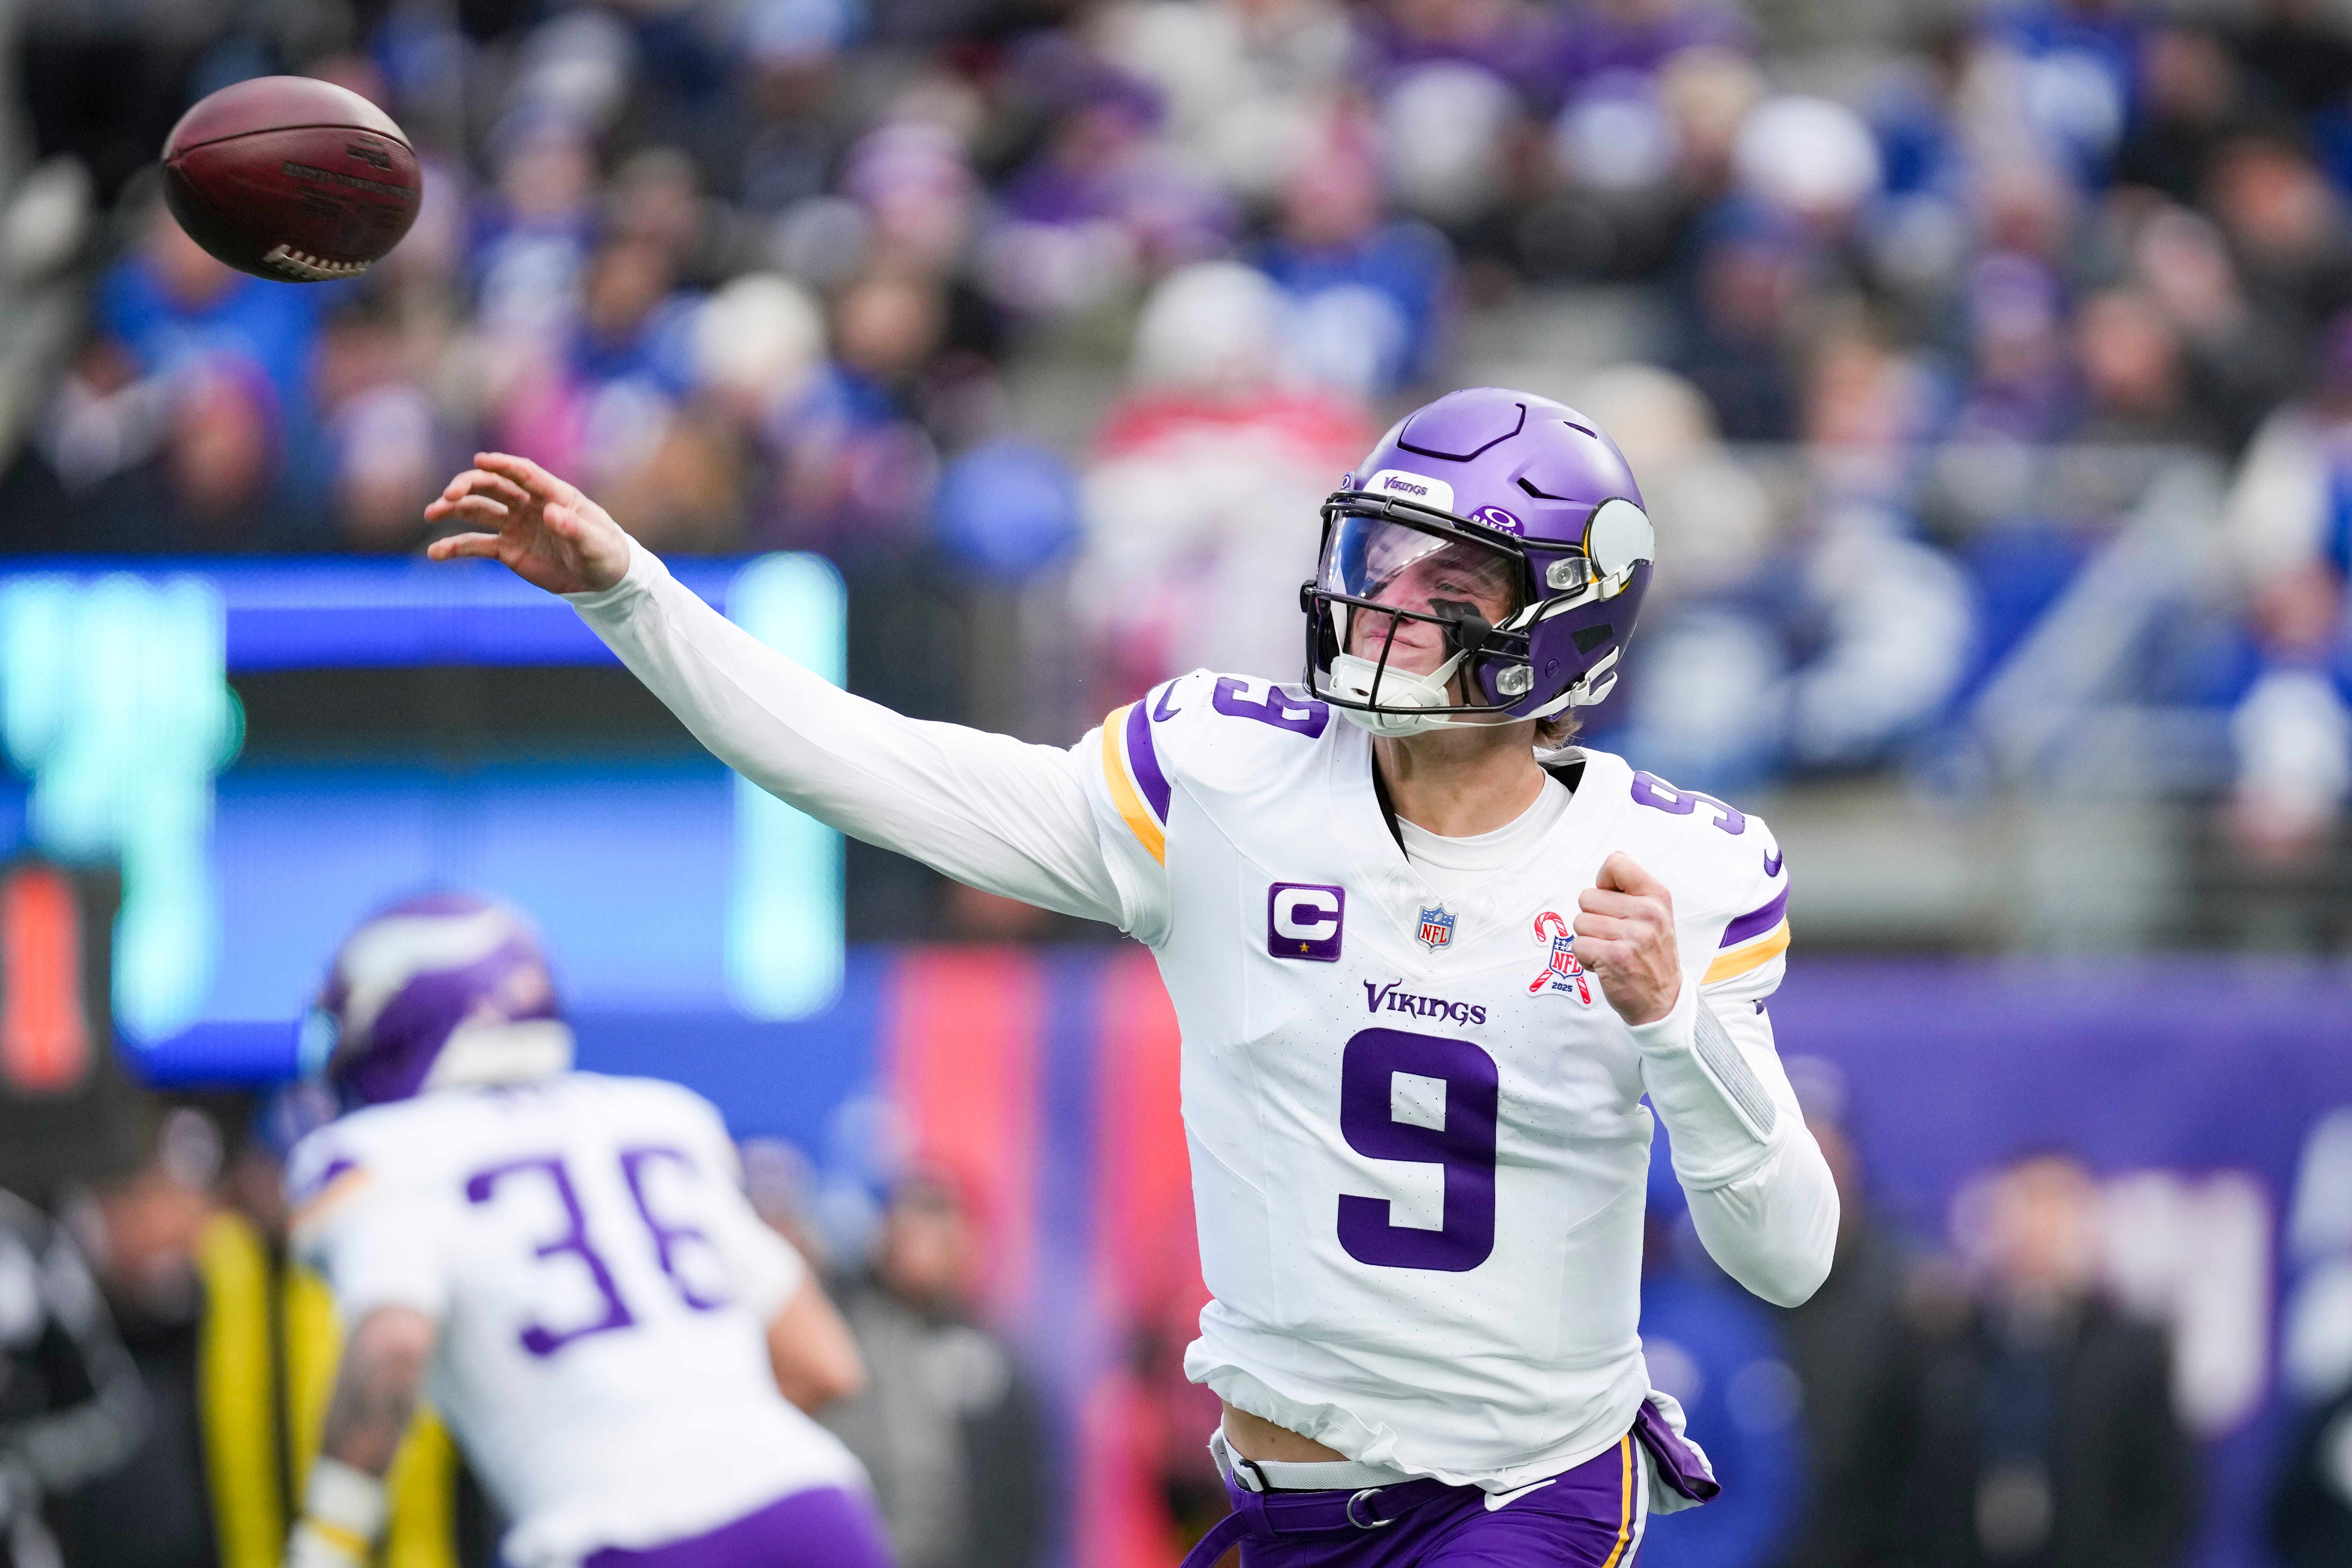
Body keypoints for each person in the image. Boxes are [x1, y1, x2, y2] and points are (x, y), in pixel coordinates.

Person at [422, 384, 1839, 1565]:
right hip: (1281, 1506)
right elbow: (872, 766)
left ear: (1565, 619)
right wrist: (631, 594)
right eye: (1379, 564)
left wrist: (1672, 1026)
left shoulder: (1673, 871)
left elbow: (1786, 1257)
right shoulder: (1229, 783)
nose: (1389, 609)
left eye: (1449, 584)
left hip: (1520, 1497)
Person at [277, 892, 885, 1568]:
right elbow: (826, 1361)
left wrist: (328, 1540)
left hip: (615, 1531)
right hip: (808, 1503)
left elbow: (393, 1342)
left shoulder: (382, 1155)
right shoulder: (656, 1118)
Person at [822, 1173, 1049, 1568]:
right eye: (916, 1219)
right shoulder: (841, 1333)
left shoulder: (994, 1360)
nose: (927, 1242)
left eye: (944, 1222)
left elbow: (1019, 1499)